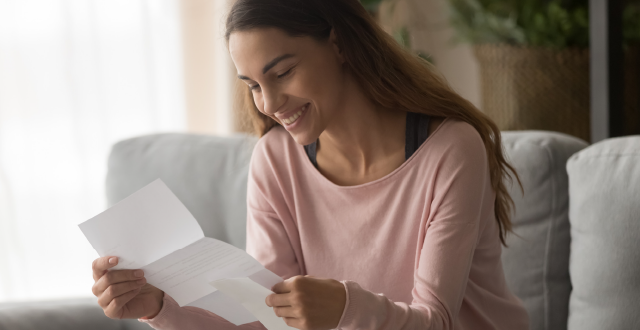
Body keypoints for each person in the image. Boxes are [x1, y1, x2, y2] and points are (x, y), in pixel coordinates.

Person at [89, 0, 530, 329]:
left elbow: (436, 321)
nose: (270, 103)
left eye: (281, 73)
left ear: (337, 43)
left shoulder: (451, 149)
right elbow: (268, 322)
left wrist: (344, 308)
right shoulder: (276, 161)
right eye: (254, 85)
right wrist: (159, 307)